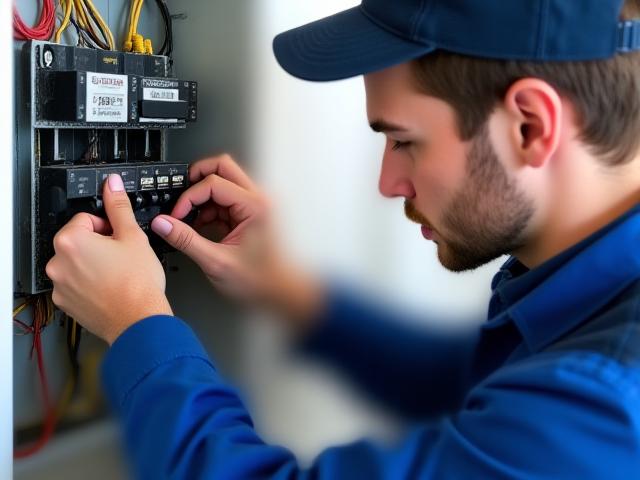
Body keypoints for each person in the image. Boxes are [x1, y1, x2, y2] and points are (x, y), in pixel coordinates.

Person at [45, 0, 640, 478]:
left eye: (404, 140)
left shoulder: (603, 409)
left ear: (530, 125)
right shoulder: (585, 312)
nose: (389, 183)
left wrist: (136, 323)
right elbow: (464, 387)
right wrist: (285, 288)